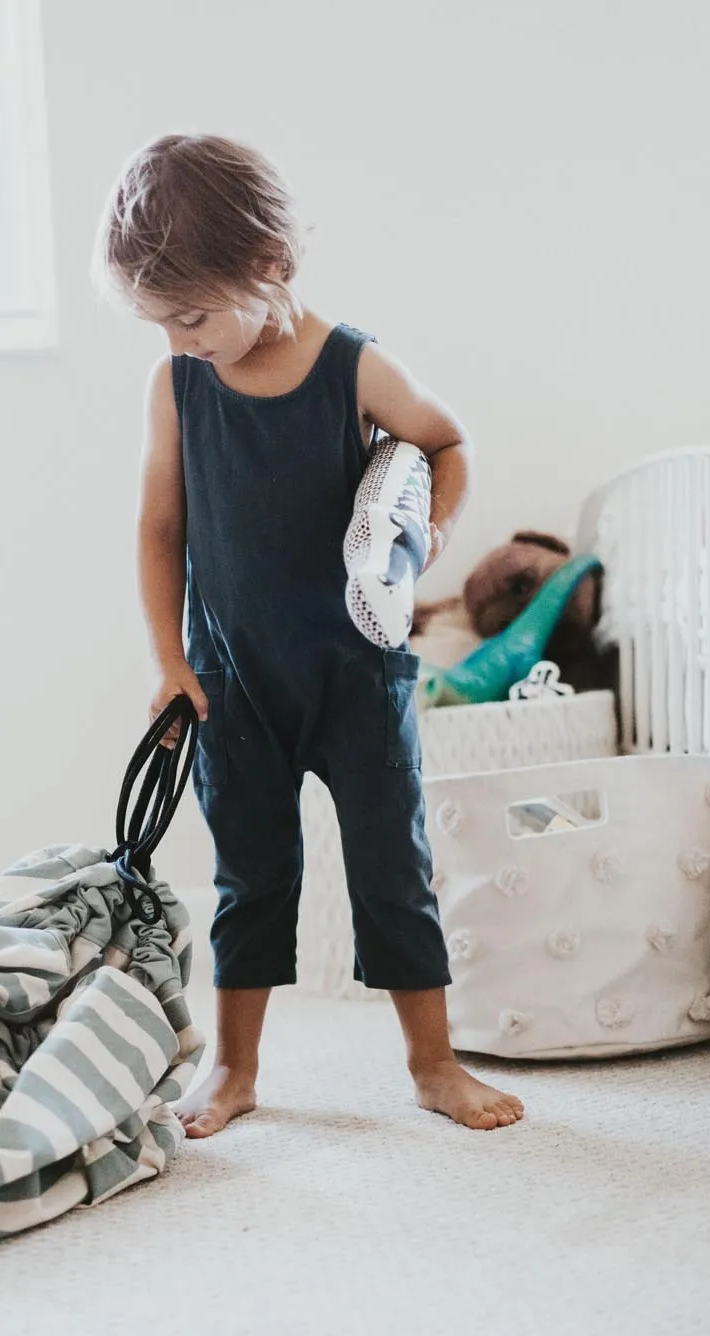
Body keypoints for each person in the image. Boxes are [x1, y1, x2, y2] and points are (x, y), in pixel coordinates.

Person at [92, 133, 524, 1137]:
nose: (178, 341)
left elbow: (446, 443)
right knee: (251, 877)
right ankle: (235, 1071)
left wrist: (423, 537)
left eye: (192, 316)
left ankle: (432, 1063)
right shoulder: (179, 387)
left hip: (355, 671)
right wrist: (168, 663)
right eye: (159, 324)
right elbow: (161, 528)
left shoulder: (352, 367)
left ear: (270, 266)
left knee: (393, 869)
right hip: (233, 680)